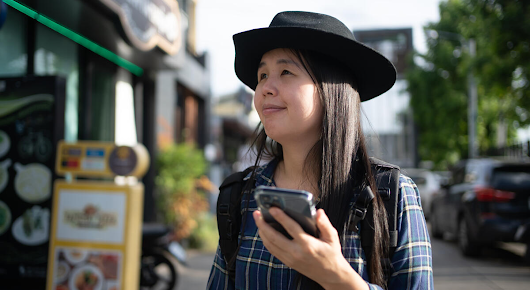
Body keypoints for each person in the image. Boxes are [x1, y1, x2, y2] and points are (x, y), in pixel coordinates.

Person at [207, 11, 433, 290]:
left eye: (286, 72)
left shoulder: (391, 196)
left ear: (332, 90)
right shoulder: (239, 197)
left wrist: (337, 277)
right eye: (262, 74)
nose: (265, 87)